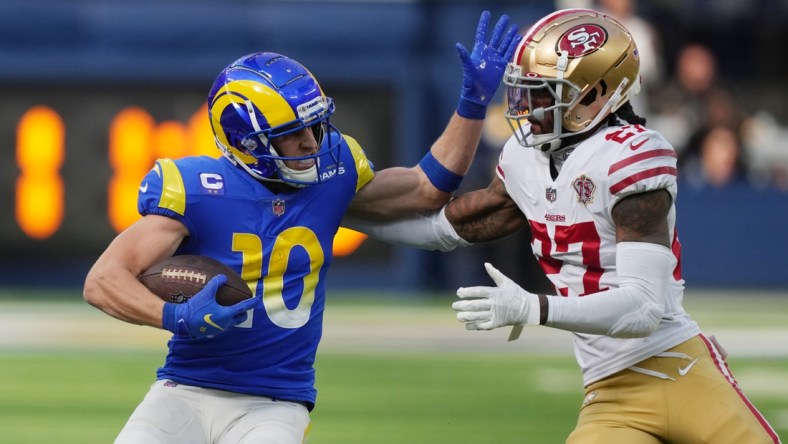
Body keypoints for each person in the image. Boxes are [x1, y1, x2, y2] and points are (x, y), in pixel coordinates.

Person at [82, 11, 521, 444]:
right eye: (293, 134)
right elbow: (102, 281)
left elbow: (427, 189)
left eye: (314, 125)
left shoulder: (334, 170)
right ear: (245, 141)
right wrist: (174, 316)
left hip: (275, 402)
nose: (312, 142)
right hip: (183, 390)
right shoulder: (197, 188)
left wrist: (472, 104)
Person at [346, 8, 781, 444]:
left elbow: (642, 310)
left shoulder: (631, 156)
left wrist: (532, 308)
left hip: (678, 365)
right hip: (609, 393)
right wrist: (337, 211)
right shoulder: (525, 158)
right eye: (527, 93)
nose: (529, 108)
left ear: (599, 93)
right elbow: (441, 228)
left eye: (547, 93)